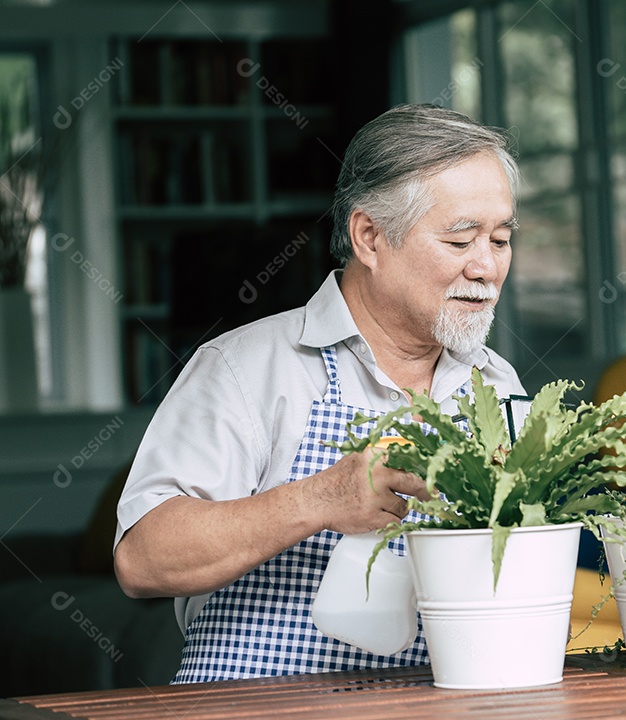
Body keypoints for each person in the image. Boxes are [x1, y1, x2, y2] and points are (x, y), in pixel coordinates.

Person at [112, 103, 526, 683]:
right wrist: (320, 500)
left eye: (501, 239)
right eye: (461, 241)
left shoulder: (499, 386)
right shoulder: (244, 368)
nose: (487, 267)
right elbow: (142, 559)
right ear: (370, 237)